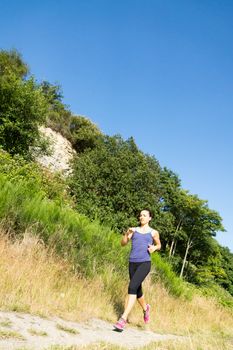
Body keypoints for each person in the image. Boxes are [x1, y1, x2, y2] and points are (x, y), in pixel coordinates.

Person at [113, 209, 161, 332]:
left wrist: (154, 248)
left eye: (144, 215)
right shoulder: (133, 230)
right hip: (132, 262)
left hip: (144, 263)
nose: (141, 217)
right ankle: (146, 309)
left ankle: (123, 319)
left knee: (132, 287)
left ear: (150, 218)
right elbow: (123, 243)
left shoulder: (153, 232)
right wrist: (126, 234)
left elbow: (159, 245)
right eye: (140, 215)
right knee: (137, 290)